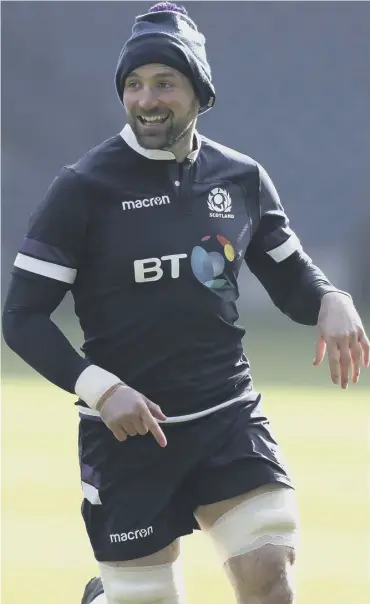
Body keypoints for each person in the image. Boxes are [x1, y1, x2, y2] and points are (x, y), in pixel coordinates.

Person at [2, 3, 369, 604]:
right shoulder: (84, 189)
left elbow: (291, 278)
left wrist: (330, 296)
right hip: (128, 437)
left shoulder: (241, 179)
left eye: (164, 83)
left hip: (227, 419)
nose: (147, 99)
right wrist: (101, 389)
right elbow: (21, 317)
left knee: (272, 583)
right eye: (134, 84)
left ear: (198, 91)